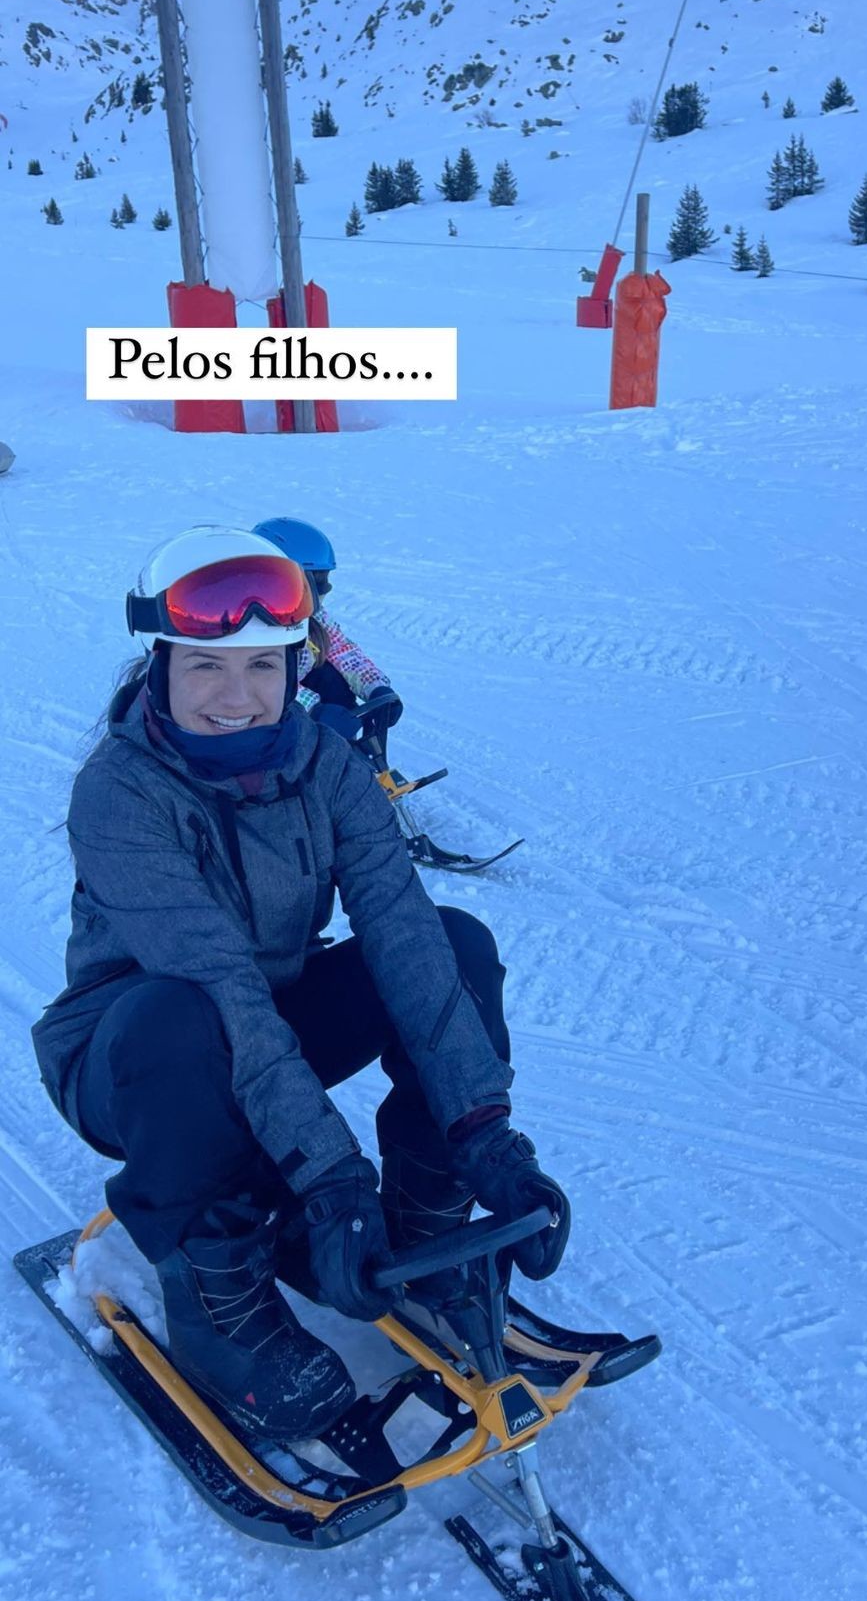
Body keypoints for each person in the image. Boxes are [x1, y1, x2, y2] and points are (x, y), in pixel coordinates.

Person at [31, 526, 569, 1440]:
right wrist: (330, 1179)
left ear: (294, 668)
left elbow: (403, 938)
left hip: (261, 1021)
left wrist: (486, 1135)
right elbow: (219, 985)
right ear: (159, 665)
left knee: (456, 942)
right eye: (205, 666)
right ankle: (218, 1292)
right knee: (183, 1015)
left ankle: (427, 1220)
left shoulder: (328, 766)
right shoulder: (119, 792)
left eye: (261, 667)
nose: (235, 697)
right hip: (132, 1058)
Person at [252, 516, 403, 752]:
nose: (325, 588)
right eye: (314, 580)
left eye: (324, 578)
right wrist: (313, 709)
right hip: (256, 714)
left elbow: (343, 650)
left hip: (295, 699)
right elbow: (256, 679)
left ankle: (346, 757)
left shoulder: (311, 614)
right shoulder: (250, 626)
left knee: (330, 677)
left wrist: (376, 688)